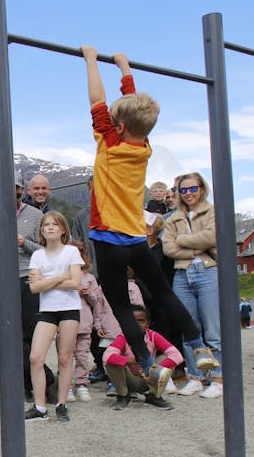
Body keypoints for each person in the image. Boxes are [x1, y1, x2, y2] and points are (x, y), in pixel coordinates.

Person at [79, 45, 218, 392]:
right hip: (137, 240)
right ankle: (198, 346)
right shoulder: (144, 146)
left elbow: (98, 99)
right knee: (163, 294)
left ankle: (145, 362)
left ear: (119, 125)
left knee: (121, 307)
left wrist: (91, 60)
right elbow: (135, 109)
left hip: (109, 241)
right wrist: (124, 69)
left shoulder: (109, 143)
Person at [0, 172, 48, 401]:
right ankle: (21, 384)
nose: (12, 193)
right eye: (7, 189)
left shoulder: (36, 215)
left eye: (16, 188)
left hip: (29, 280)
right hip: (3, 282)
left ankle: (34, 383)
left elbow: (45, 251)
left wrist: (23, 243)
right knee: (9, 338)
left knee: (30, 337)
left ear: (22, 190)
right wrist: (4, 241)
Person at [162, 172, 224, 399]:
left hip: (208, 271)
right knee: (189, 328)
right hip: (182, 273)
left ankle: (217, 379)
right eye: (184, 190)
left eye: (192, 188)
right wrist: (196, 246)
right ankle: (196, 377)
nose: (188, 193)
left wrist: (182, 241)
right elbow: (168, 248)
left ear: (201, 188)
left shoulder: (212, 212)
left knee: (213, 329)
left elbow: (212, 236)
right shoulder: (173, 218)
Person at [24, 212, 83, 422]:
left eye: (54, 224)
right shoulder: (37, 255)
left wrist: (45, 280)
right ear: (41, 230)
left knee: (65, 358)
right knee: (35, 357)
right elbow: (34, 287)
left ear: (63, 229)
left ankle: (62, 403)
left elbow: (76, 283)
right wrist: (60, 276)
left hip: (69, 309)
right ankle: (40, 407)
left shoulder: (72, 251)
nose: (50, 227)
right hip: (47, 310)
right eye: (46, 225)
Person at [103, 306, 180, 410]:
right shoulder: (123, 337)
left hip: (151, 378)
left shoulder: (153, 335)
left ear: (147, 324)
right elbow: (106, 356)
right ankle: (123, 396)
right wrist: (131, 361)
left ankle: (154, 396)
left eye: (141, 321)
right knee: (111, 362)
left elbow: (177, 355)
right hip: (130, 380)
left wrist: (156, 370)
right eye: (133, 321)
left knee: (169, 359)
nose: (137, 325)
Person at [72, 240, 102, 403]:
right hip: (66, 323)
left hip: (84, 322)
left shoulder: (89, 278)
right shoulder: (63, 275)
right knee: (66, 355)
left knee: (82, 355)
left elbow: (97, 302)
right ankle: (67, 385)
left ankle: (82, 383)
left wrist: (88, 293)